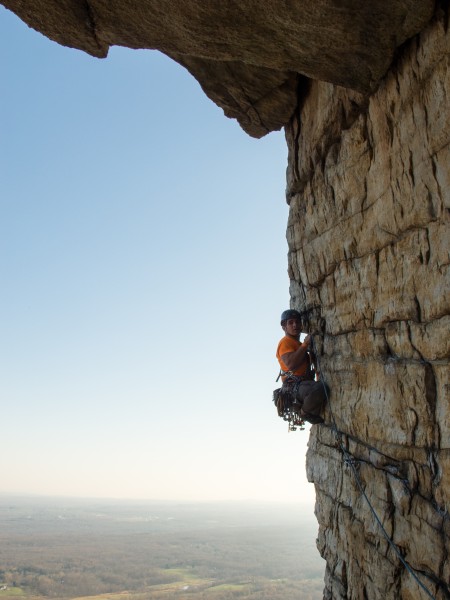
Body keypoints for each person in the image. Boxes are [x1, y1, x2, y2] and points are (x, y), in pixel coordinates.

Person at [276, 309, 326, 425]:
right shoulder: (285, 342)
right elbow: (291, 365)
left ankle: (306, 409)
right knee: (320, 388)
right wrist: (305, 345)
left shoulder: (297, 344)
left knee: (320, 389)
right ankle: (303, 413)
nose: (295, 325)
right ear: (284, 327)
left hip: (302, 384)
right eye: (291, 323)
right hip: (293, 386)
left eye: (297, 322)